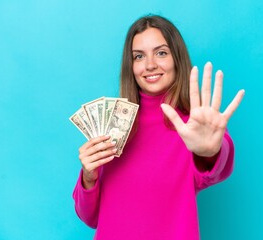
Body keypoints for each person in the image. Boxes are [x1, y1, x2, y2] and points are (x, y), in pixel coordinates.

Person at [73, 15, 245, 240]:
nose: (150, 64)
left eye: (161, 52)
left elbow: (217, 166)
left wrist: (210, 151)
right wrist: (88, 177)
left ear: (177, 58)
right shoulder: (113, 124)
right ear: (131, 65)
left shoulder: (194, 125)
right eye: (139, 56)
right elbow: (90, 217)